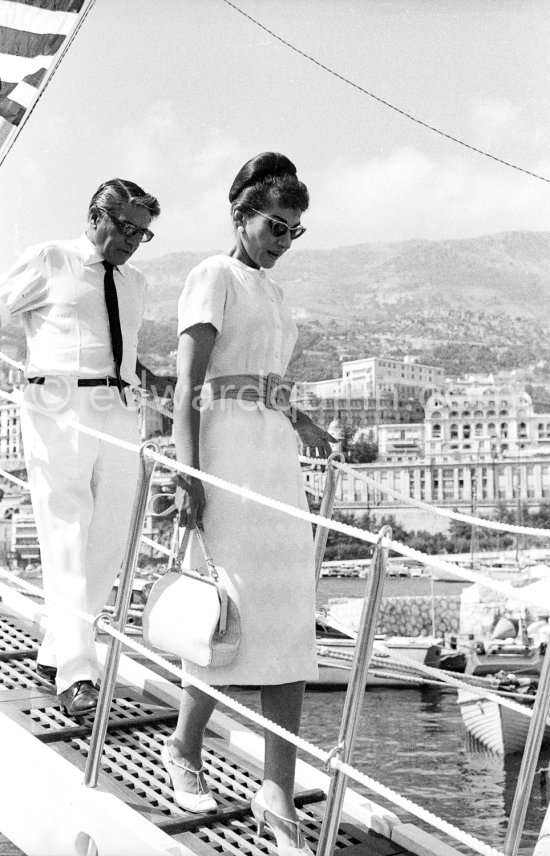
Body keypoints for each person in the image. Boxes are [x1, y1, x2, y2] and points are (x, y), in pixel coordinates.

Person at [167, 153, 333, 855]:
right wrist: (188, 474)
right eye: (274, 225)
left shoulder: (273, 292)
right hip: (227, 450)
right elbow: (188, 387)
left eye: (294, 231)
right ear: (241, 215)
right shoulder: (213, 275)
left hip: (275, 456)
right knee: (229, 609)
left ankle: (275, 786)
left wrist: (301, 422)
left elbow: (266, 378)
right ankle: (184, 745)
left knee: (290, 614)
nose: (282, 240)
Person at [0, 179, 160, 716]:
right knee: (67, 530)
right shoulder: (50, 259)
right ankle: (76, 673)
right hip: (57, 407)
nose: (134, 241)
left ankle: (56, 651)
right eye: (126, 228)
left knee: (109, 538)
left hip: (119, 411)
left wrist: (154, 379)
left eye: (143, 232)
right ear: (96, 216)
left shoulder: (136, 282)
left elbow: (118, 344)